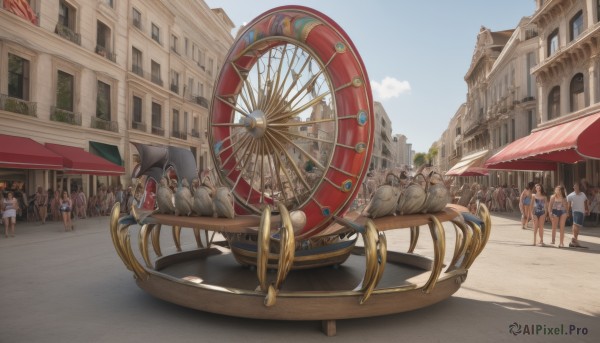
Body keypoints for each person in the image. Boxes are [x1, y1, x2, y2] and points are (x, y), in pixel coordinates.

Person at [566, 182, 590, 247]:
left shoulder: (583, 194)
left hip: (582, 212)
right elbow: (568, 204)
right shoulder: (570, 195)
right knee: (575, 224)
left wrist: (587, 210)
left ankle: (574, 241)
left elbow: (586, 202)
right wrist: (567, 212)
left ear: (579, 187)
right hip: (575, 211)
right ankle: (573, 237)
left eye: (576, 186)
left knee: (578, 226)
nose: (575, 187)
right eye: (574, 186)